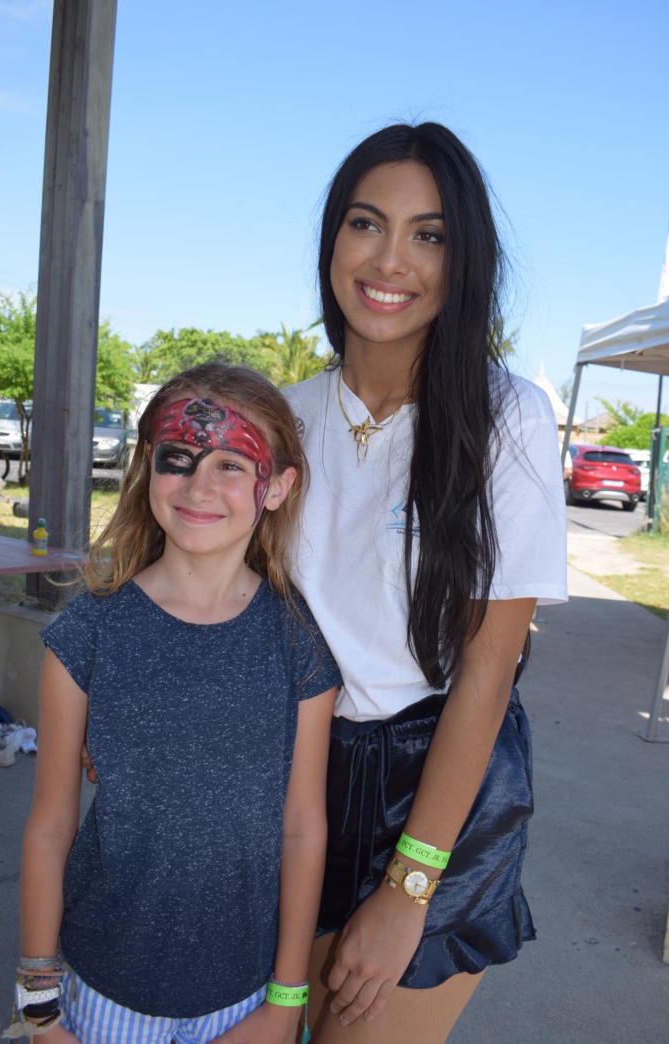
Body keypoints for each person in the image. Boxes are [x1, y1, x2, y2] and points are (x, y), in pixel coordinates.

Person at [282, 122, 568, 1043]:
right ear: (333, 240)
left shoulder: (507, 416)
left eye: (429, 233)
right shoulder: (280, 419)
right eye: (367, 223)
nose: (390, 259)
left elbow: (488, 669)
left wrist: (410, 887)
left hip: (435, 785)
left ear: (463, 260)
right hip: (292, 777)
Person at [7, 363, 340, 1044]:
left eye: (230, 464)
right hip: (100, 994)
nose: (198, 486)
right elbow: (49, 828)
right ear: (146, 465)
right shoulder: (87, 633)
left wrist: (286, 1000)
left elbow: (303, 826)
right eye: (178, 459)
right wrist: (37, 1007)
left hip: (243, 1001)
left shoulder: (297, 640)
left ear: (276, 485)